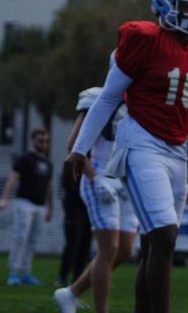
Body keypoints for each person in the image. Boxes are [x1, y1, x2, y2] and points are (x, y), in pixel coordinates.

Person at [64, 0, 188, 313]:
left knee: (154, 245)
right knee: (165, 237)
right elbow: (107, 98)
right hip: (140, 145)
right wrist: (79, 148)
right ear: (164, 6)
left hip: (178, 152)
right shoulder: (143, 39)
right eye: (187, 7)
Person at [54, 87, 138, 313]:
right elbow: (74, 145)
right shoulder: (98, 97)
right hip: (99, 175)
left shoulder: (140, 96)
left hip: (125, 179)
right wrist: (94, 178)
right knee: (108, 249)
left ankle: (70, 293)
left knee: (125, 251)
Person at [0, 127, 54, 286]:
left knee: (33, 240)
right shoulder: (25, 158)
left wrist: (51, 208)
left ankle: (26, 273)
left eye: (46, 141)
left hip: (40, 205)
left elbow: (49, 187)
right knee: (21, 236)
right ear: (34, 140)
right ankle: (13, 272)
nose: (44, 143)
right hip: (24, 203)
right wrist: (5, 199)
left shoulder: (47, 163)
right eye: (40, 140)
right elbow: (12, 178)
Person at [57, 155, 93, 288]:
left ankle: (78, 277)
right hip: (74, 209)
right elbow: (68, 187)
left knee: (85, 243)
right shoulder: (71, 164)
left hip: (87, 210)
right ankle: (63, 277)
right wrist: (86, 196)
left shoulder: (92, 165)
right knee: (73, 242)